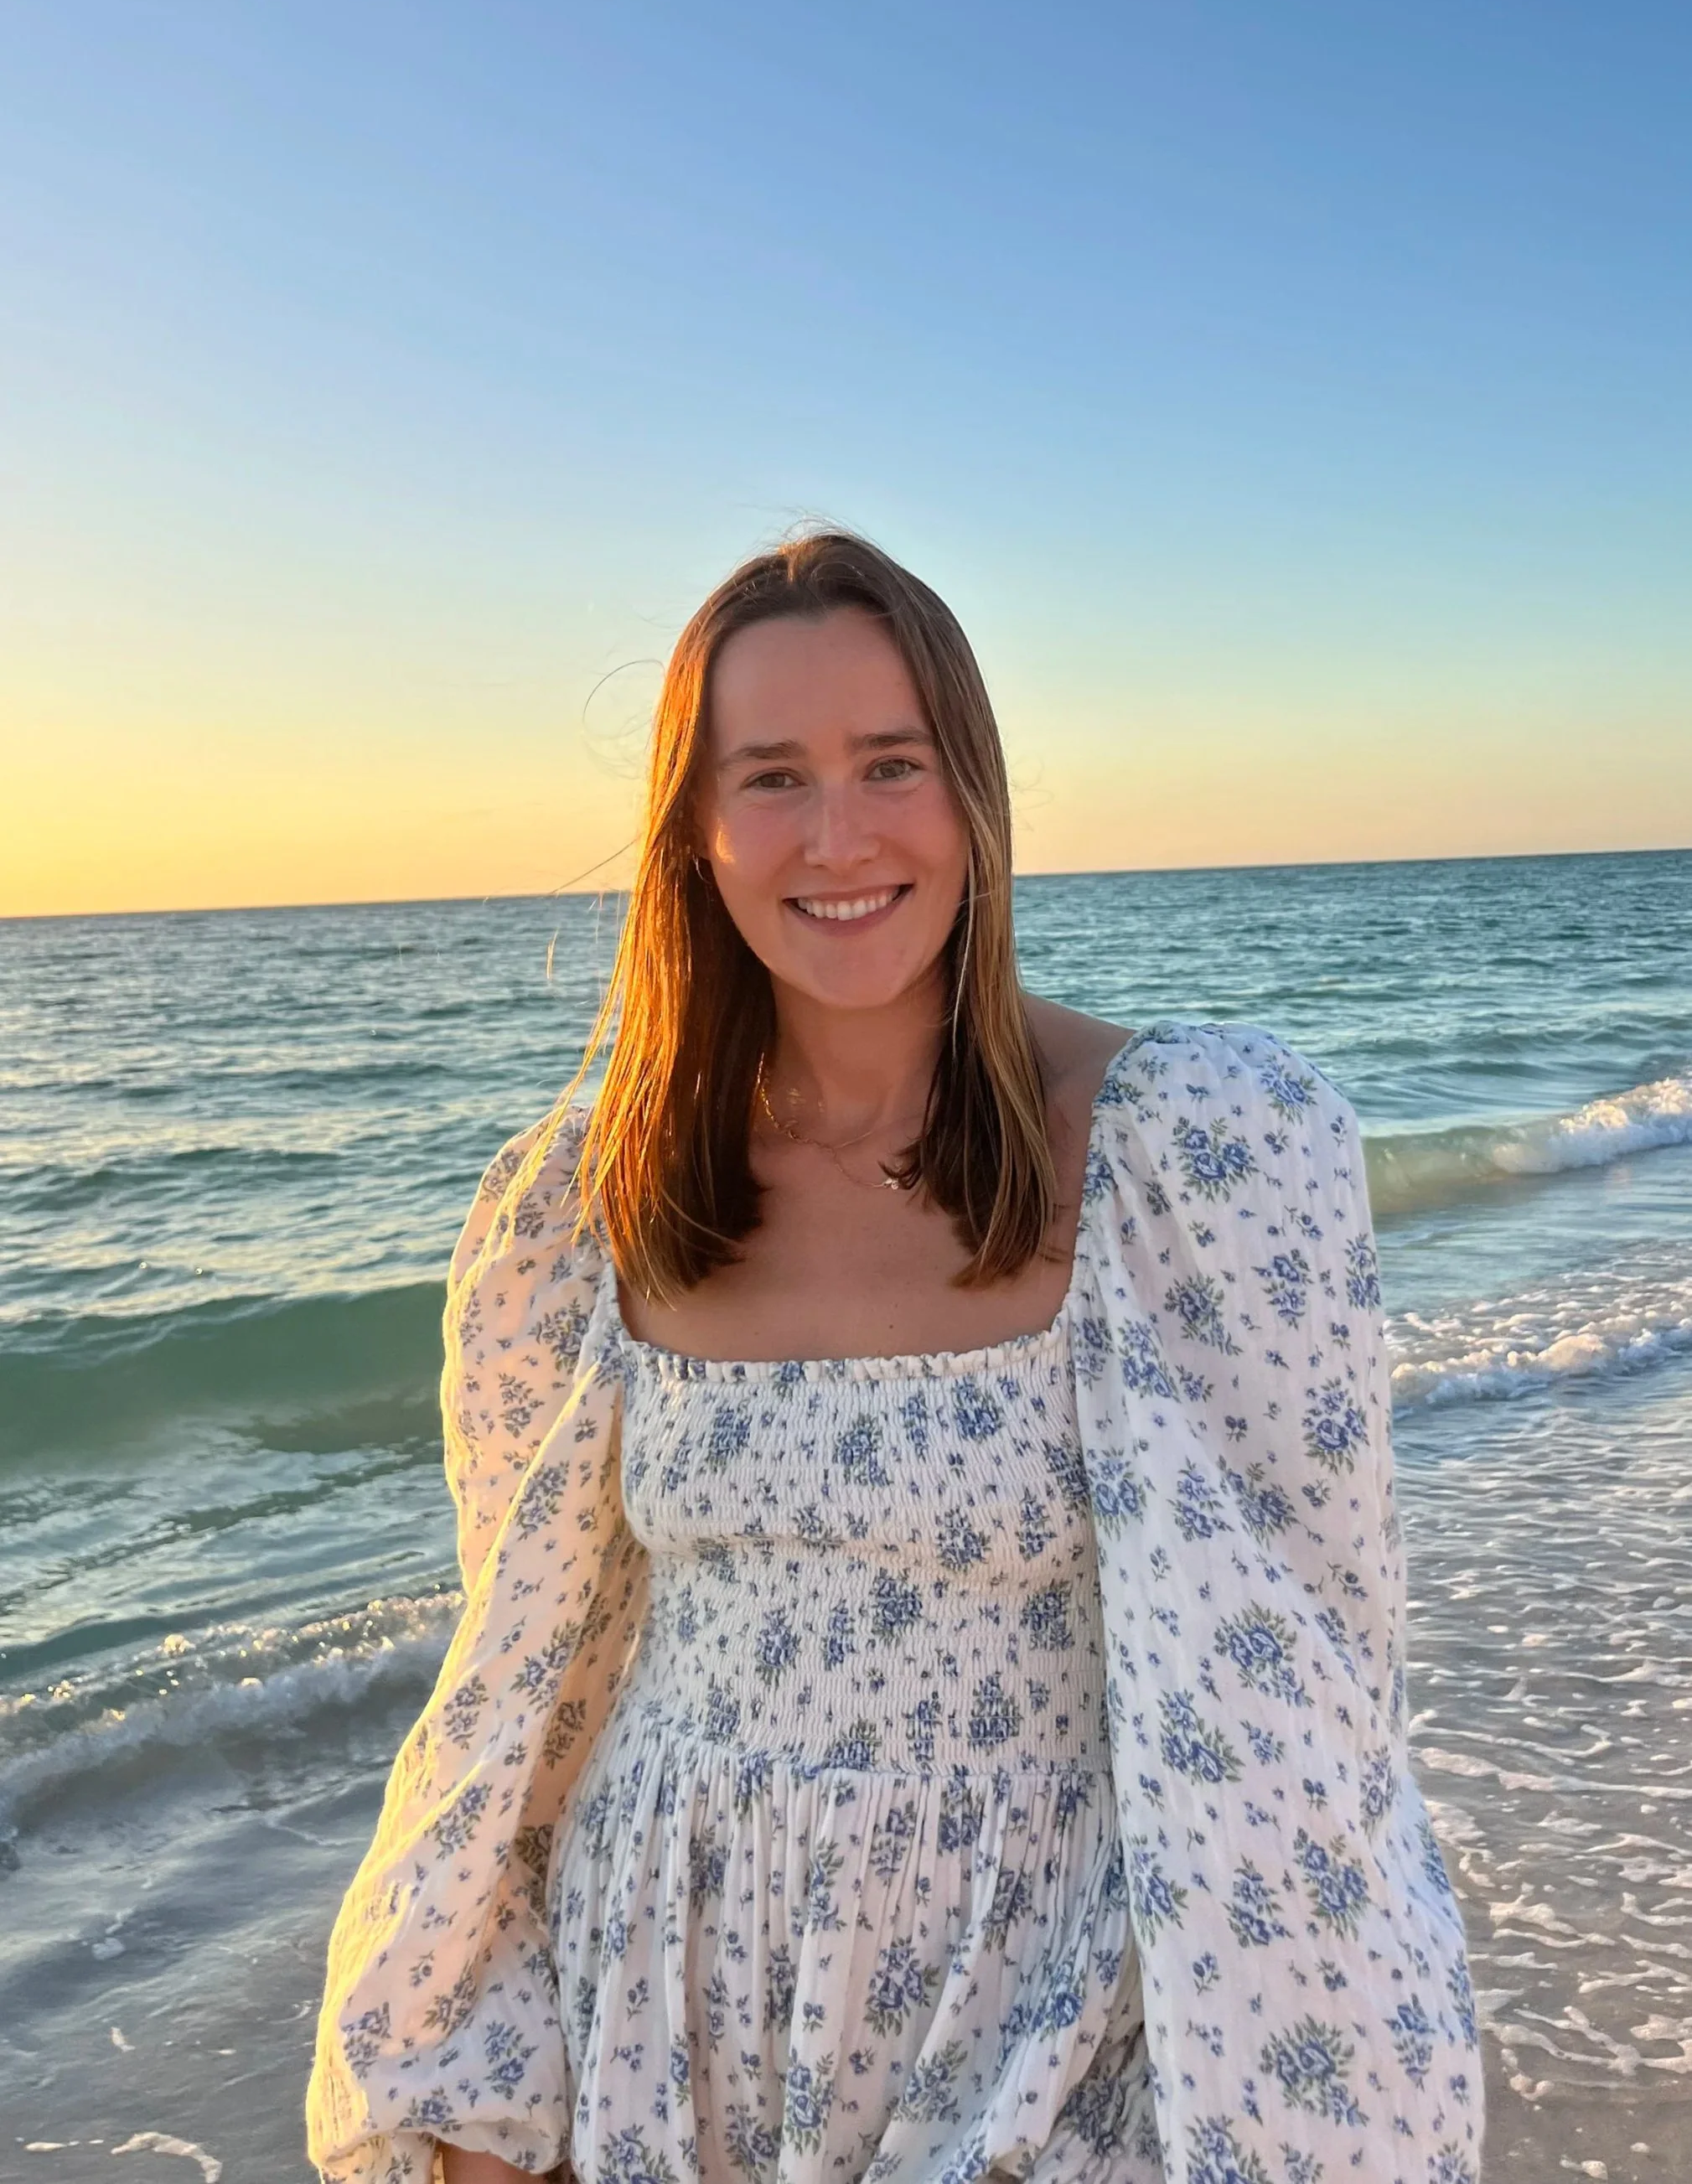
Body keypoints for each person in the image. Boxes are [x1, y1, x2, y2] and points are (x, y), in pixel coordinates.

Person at [307, 532, 1482, 2184]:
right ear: (694, 830)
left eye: (890, 764)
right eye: (770, 775)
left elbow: (1307, 1682)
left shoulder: (1190, 1151)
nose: (839, 834)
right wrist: (487, 2081)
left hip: (1039, 2036)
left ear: (972, 793)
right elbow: (524, 1684)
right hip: (665, 2021)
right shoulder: (583, 1208)